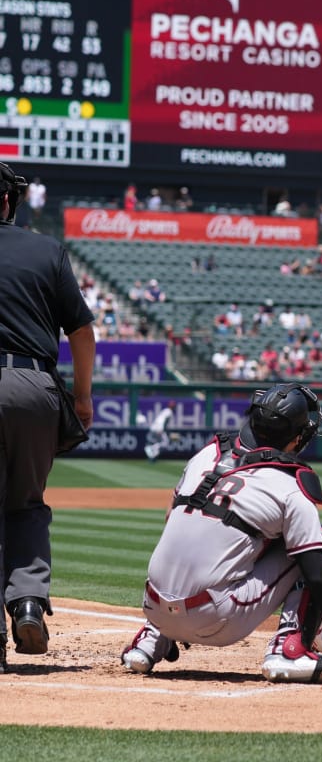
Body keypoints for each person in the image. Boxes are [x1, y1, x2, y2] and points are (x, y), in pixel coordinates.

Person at [120, 383, 322, 683]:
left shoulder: (206, 454)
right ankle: (289, 648)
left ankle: (152, 637)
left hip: (153, 604)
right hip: (215, 619)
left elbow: (171, 518)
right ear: (298, 437)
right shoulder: (289, 487)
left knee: (204, 528)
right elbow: (319, 576)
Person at [0, 162, 96, 673]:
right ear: (8, 202)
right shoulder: (46, 250)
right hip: (35, 388)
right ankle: (28, 604)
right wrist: (81, 398)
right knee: (26, 504)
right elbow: (82, 334)